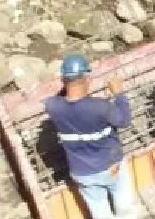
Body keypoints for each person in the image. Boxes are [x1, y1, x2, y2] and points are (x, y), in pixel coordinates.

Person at [45, 54, 137, 219]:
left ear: (63, 80)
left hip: (82, 172)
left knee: (100, 212)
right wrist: (119, 94)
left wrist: (68, 85)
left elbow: (62, 98)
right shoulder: (101, 108)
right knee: (125, 208)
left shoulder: (52, 106)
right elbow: (124, 120)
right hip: (110, 166)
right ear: (87, 78)